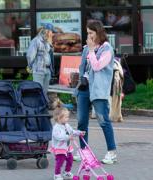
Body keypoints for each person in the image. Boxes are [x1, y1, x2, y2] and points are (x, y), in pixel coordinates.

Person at [74, 20, 117, 164]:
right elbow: (82, 66)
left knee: (103, 121)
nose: (89, 36)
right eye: (87, 33)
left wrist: (92, 50)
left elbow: (97, 66)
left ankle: (112, 152)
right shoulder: (87, 48)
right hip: (84, 88)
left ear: (98, 33)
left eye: (91, 33)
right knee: (81, 122)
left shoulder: (107, 49)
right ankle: (83, 151)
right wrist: (81, 80)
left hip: (98, 90)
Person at [51, 102, 84, 180]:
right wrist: (68, 137)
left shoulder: (66, 125)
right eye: (66, 117)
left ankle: (67, 172)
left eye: (67, 117)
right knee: (60, 161)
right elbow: (58, 137)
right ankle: (57, 174)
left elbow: (72, 131)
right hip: (59, 148)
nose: (67, 118)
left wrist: (79, 133)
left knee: (70, 160)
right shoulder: (56, 128)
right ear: (59, 118)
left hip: (67, 147)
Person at [26, 23, 55, 94]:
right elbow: (30, 55)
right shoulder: (36, 41)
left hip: (47, 70)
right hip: (39, 70)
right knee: (38, 92)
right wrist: (30, 66)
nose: (53, 34)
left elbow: (50, 56)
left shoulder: (47, 41)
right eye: (52, 32)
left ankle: (44, 105)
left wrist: (50, 45)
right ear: (47, 31)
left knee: (44, 93)